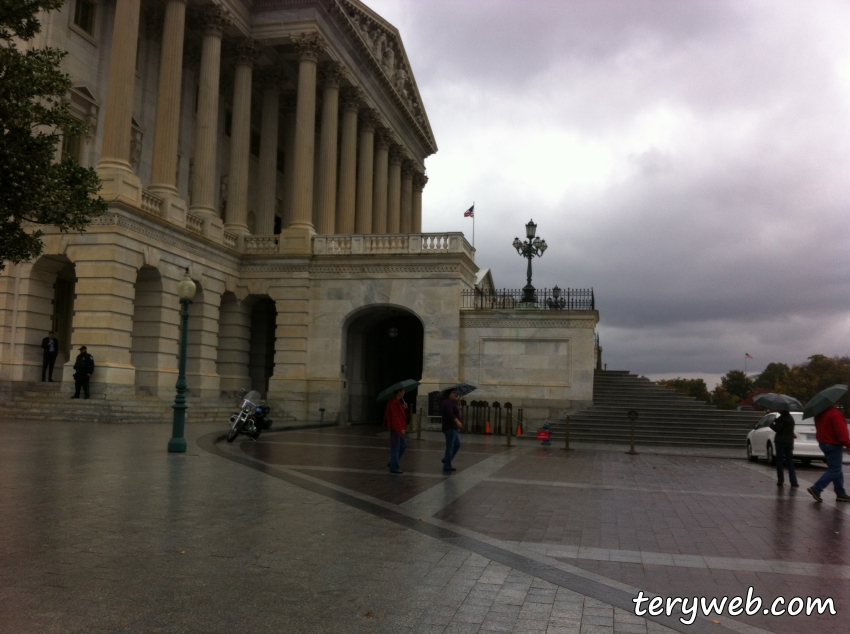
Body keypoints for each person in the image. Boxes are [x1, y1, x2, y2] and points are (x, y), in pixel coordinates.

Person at [807, 404, 850, 502]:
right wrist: (848, 444)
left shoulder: (820, 414)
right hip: (834, 444)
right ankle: (817, 488)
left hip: (824, 443)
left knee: (835, 468)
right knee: (835, 469)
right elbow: (841, 431)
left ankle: (840, 493)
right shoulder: (835, 414)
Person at [769, 410, 798, 487]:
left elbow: (778, 429)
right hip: (789, 441)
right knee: (790, 461)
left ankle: (780, 480)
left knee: (779, 461)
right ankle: (794, 481)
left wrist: (771, 424)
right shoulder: (791, 419)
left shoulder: (781, 418)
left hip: (780, 441)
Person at [384, 388, 408, 474]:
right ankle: (394, 467)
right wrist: (400, 428)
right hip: (396, 429)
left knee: (403, 445)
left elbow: (400, 415)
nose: (404, 393)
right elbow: (395, 417)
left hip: (399, 428)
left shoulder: (398, 402)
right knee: (396, 447)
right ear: (399, 392)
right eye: (403, 391)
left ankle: (393, 462)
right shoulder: (393, 402)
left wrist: (403, 407)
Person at [441, 389, 463, 473]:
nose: (455, 394)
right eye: (453, 393)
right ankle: (447, 465)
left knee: (457, 444)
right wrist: (457, 421)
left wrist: (458, 403)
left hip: (453, 428)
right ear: (449, 394)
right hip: (450, 427)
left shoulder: (452, 402)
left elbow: (455, 411)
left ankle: (446, 459)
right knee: (450, 446)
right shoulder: (447, 402)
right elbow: (450, 414)